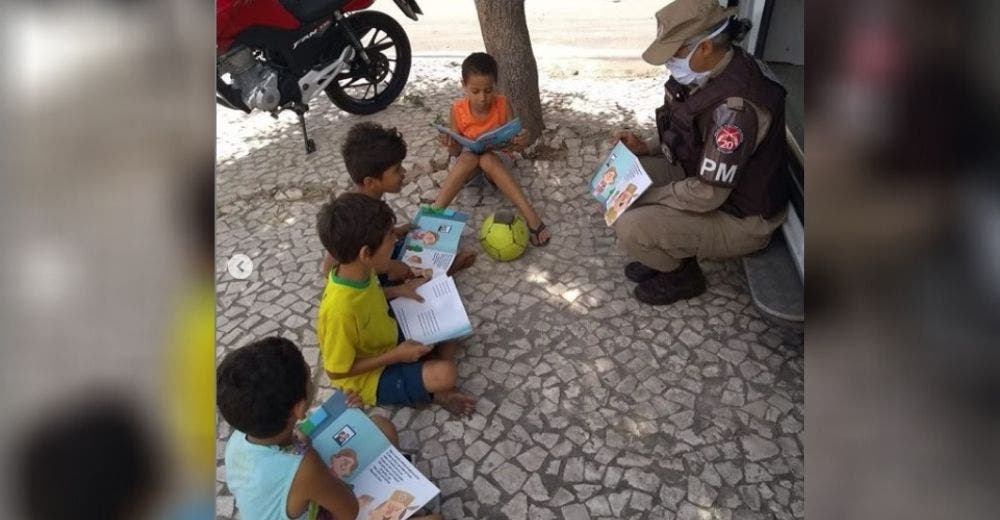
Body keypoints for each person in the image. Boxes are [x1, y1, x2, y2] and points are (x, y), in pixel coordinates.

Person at [611, 0, 791, 305]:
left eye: (675, 52)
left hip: (741, 218)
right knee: (620, 170)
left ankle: (681, 274)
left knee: (631, 223)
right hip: (709, 181)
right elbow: (688, 130)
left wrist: (645, 195)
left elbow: (708, 195)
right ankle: (663, 250)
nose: (669, 62)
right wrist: (647, 147)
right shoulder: (714, 71)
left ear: (705, 47)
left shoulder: (737, 108)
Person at [315, 193, 477, 416]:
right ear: (365, 253)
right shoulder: (339, 311)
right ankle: (437, 389)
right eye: (389, 236)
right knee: (446, 373)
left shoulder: (360, 270)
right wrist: (396, 356)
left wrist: (398, 290)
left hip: (388, 335)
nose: (395, 240)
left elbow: (371, 295)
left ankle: (424, 369)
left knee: (451, 317)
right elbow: (335, 371)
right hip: (371, 376)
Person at [218, 336, 397, 520]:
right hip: (335, 502)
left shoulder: (239, 438)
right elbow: (349, 512)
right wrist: (310, 454)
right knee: (385, 430)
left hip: (292, 496)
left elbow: (297, 434)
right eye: (309, 378)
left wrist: (349, 414)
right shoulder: (306, 466)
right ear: (300, 408)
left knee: (381, 427)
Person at [320, 122, 475, 280]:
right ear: (370, 182)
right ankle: (445, 272)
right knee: (405, 274)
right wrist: (387, 270)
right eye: (397, 169)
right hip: (367, 285)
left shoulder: (370, 200)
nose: (404, 172)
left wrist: (395, 232)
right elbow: (328, 271)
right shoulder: (351, 214)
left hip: (376, 260)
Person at [434, 52, 552, 247]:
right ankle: (434, 213)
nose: (482, 97)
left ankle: (532, 218)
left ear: (495, 85)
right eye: (475, 91)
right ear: (463, 85)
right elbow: (455, 153)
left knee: (487, 159)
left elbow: (516, 145)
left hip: (497, 165)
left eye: (488, 90)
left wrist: (523, 139)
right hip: (469, 168)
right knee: (468, 158)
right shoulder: (457, 110)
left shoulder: (503, 104)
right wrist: (451, 146)